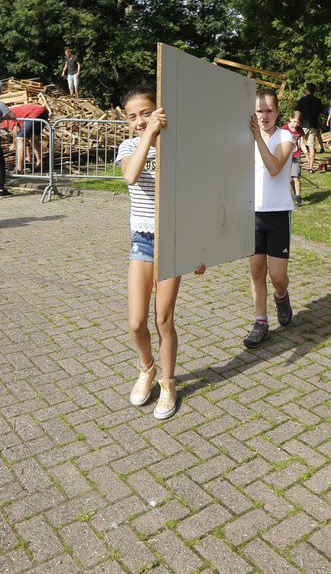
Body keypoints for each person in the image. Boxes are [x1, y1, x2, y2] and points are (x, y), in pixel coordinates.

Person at [115, 85, 202, 420]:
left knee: (163, 318)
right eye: (132, 116)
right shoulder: (128, 146)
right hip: (143, 239)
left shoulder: (178, 146)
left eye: (146, 112)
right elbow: (131, 175)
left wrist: (197, 247)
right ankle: (147, 367)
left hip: (174, 239)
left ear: (159, 110)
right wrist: (149, 134)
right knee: (136, 322)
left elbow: (191, 196)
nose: (140, 120)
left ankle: (168, 383)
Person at [244, 90, 297, 348]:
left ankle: (281, 295)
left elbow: (275, 168)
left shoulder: (285, 136)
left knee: (277, 276)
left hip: (277, 214)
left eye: (268, 111)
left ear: (277, 112)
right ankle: (260, 323)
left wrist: (257, 138)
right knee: (257, 271)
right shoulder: (245, 135)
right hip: (252, 213)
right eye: (259, 110)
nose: (263, 116)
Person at [7, 103, 50, 172]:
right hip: (43, 111)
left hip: (35, 112)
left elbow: (16, 129)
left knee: (20, 139)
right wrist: (28, 156)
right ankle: (39, 164)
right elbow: (26, 140)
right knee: (34, 138)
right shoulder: (11, 111)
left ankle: (19, 169)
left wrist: (13, 144)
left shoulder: (3, 117)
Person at [296, 83, 325, 168]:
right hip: (313, 125)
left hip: (302, 126)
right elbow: (321, 114)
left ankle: (298, 163)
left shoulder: (302, 100)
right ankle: (311, 167)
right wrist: (316, 121)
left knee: (300, 144)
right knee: (311, 146)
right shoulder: (318, 101)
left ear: (307, 90)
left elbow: (297, 113)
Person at [284, 110, 304, 205]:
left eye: (298, 122)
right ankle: (294, 188)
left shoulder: (300, 130)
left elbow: (302, 144)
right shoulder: (284, 129)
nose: (296, 124)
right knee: (289, 178)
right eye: (295, 121)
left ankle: (298, 197)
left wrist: (307, 153)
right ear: (291, 119)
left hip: (296, 155)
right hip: (286, 156)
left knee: (296, 177)